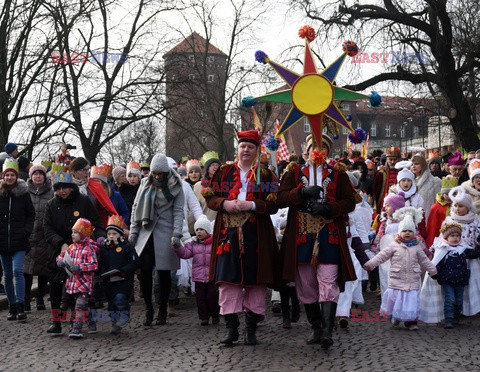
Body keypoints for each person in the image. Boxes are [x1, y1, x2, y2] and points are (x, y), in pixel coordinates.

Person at [277, 133, 356, 349]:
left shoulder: (338, 174)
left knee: (328, 282)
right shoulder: (293, 172)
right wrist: (301, 192)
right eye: (313, 146)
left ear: (328, 151)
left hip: (328, 234)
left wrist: (330, 207)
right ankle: (316, 326)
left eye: (322, 147)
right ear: (306, 149)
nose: (317, 151)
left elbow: (350, 202)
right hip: (302, 235)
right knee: (306, 284)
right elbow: (280, 198)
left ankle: (328, 331)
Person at [203, 130, 278, 346]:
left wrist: (253, 204)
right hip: (228, 234)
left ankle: (251, 329)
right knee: (228, 282)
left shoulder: (266, 175)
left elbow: (274, 204)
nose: (246, 150)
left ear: (257, 151)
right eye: (243, 146)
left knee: (256, 283)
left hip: (256, 234)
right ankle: (231, 329)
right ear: (238, 149)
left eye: (250, 147)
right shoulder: (224, 172)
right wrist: (224, 204)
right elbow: (210, 197)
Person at [43, 170, 105, 335]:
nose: (61, 191)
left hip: (81, 252)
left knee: (75, 289)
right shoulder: (51, 205)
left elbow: (96, 223)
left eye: (65, 188)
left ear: (71, 187)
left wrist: (100, 238)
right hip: (59, 251)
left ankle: (74, 321)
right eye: (58, 188)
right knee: (57, 288)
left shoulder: (83, 201)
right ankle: (56, 321)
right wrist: (60, 243)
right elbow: (47, 228)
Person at [129, 153, 184, 327]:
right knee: (145, 271)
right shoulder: (145, 184)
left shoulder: (176, 185)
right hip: (146, 232)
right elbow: (136, 207)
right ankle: (148, 308)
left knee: (164, 273)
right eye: (154, 173)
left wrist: (176, 234)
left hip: (166, 233)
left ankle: (162, 309)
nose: (157, 177)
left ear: (166, 172)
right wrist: (133, 232)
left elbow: (178, 212)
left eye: (160, 174)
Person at [363, 207, 437, 330]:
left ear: (414, 233)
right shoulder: (394, 246)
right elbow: (382, 256)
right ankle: (396, 316)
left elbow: (424, 260)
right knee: (397, 300)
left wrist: (433, 271)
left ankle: (411, 321)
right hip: (396, 279)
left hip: (412, 280)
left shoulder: (417, 247)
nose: (407, 233)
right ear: (400, 232)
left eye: (410, 231)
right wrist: (370, 264)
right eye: (404, 231)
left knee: (411, 302)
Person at [0, 159, 35, 321]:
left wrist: (26, 231)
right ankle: (12, 306)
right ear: (3, 176)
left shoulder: (23, 194)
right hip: (2, 241)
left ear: (16, 177)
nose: (9, 178)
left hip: (19, 239)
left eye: (12, 175)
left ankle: (21, 305)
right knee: (7, 275)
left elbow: (31, 214)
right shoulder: (1, 194)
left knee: (17, 271)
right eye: (6, 175)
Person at [430, 220, 480, 328]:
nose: (456, 238)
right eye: (452, 235)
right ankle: (449, 318)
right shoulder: (443, 249)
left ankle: (456, 317)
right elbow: (436, 263)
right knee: (450, 299)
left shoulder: (463, 249)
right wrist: (434, 274)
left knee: (459, 300)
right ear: (446, 237)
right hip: (447, 280)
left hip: (460, 279)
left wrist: (479, 245)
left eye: (458, 235)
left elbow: (473, 254)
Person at [173, 215, 219, 326]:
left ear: (207, 231)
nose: (198, 232)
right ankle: (204, 317)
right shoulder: (193, 244)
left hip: (211, 276)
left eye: (201, 229)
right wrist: (177, 246)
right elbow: (185, 253)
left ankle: (215, 315)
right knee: (200, 299)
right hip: (198, 277)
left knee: (212, 297)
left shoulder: (214, 244)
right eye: (197, 229)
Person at [56, 218, 98, 339]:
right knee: (83, 306)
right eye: (72, 232)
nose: (72, 234)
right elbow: (60, 256)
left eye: (75, 232)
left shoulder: (89, 249)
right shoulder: (71, 247)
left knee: (79, 306)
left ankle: (76, 329)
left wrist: (80, 267)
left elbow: (94, 264)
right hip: (73, 282)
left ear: (83, 234)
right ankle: (91, 321)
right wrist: (60, 261)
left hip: (84, 283)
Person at [99, 215, 139, 334]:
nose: (111, 236)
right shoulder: (104, 249)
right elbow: (101, 263)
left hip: (123, 280)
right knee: (111, 303)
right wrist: (102, 273)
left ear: (121, 235)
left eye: (114, 234)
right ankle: (115, 322)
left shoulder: (127, 247)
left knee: (120, 298)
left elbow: (135, 262)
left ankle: (124, 314)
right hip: (109, 281)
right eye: (109, 233)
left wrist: (124, 271)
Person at [24, 164, 54, 312]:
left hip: (44, 236)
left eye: (40, 174)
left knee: (43, 270)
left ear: (44, 176)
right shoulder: (24, 192)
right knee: (26, 270)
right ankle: (25, 298)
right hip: (27, 236)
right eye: (35, 173)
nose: (37, 176)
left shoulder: (51, 193)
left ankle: (40, 298)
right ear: (31, 176)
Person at [371, 192, 406, 296]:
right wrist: (374, 250)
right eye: (385, 206)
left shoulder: (405, 222)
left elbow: (416, 238)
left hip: (400, 257)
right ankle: (387, 303)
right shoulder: (385, 222)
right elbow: (379, 237)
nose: (385, 208)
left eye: (388, 205)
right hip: (385, 256)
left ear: (396, 207)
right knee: (385, 279)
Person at [426, 177, 458, 249]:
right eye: (447, 194)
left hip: (456, 238)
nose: (449, 197)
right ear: (442, 194)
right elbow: (432, 227)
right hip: (440, 239)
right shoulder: (436, 208)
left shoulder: (459, 206)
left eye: (452, 194)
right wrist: (430, 244)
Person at [410, 154, 441, 223]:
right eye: (412, 164)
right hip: (412, 220)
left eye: (416, 164)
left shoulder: (434, 181)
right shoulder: (408, 182)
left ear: (423, 165)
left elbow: (438, 202)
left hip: (428, 218)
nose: (413, 166)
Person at [373, 147, 400, 214]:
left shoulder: (403, 173)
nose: (392, 162)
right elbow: (376, 191)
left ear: (399, 159)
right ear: (387, 160)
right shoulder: (380, 173)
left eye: (395, 159)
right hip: (383, 203)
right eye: (390, 159)